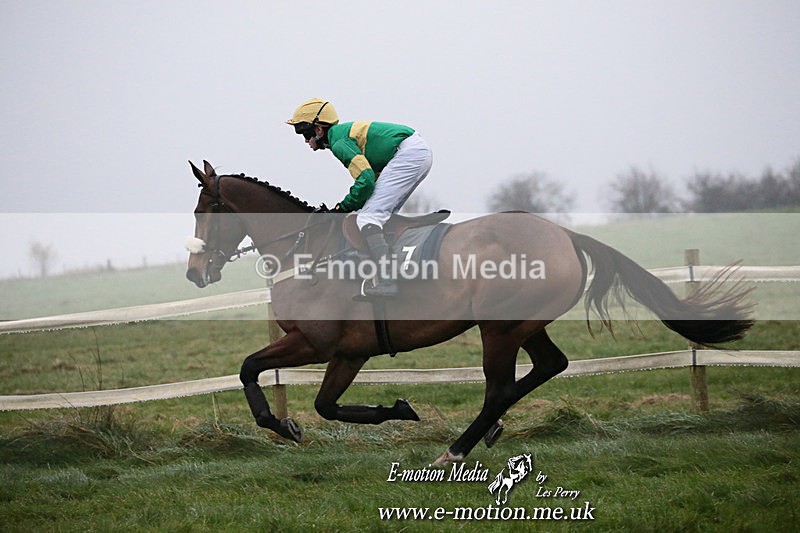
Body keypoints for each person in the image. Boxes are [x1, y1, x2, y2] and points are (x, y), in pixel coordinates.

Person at [287, 98, 433, 298]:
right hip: (414, 152)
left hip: (409, 154)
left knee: (368, 218)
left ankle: (388, 280)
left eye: (304, 133)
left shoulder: (339, 142)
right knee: (380, 216)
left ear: (319, 130)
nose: (305, 140)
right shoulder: (340, 136)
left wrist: (341, 208)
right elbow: (370, 180)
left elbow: (365, 180)